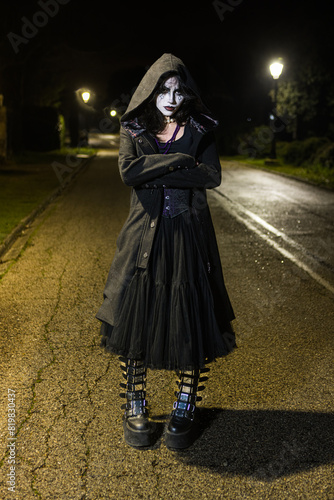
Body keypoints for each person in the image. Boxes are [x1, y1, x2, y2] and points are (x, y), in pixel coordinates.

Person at [96, 53, 236, 449]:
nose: (171, 98)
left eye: (178, 90)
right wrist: (177, 159)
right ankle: (135, 402)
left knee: (190, 316)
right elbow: (128, 172)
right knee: (136, 316)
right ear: (151, 91)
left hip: (189, 235)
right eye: (163, 90)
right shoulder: (133, 127)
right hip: (144, 236)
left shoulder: (200, 128)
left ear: (186, 92)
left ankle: (185, 403)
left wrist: (154, 169)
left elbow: (211, 176)